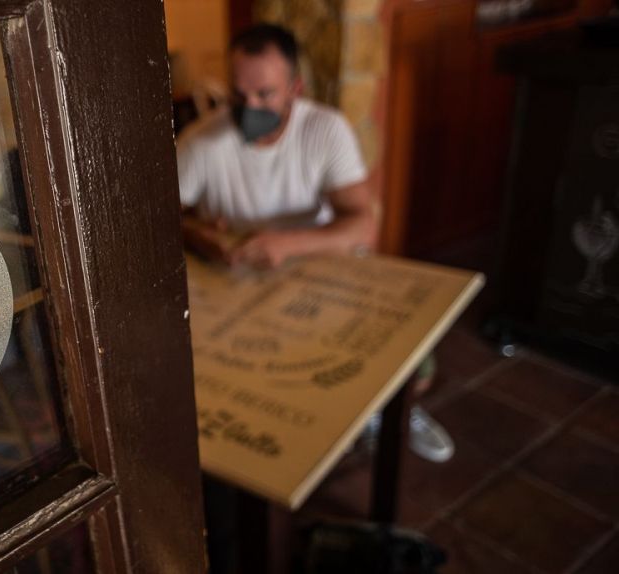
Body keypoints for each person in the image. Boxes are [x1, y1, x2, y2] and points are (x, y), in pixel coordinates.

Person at [177, 23, 454, 464]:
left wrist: (287, 244)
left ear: (295, 88)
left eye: (265, 94)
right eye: (240, 95)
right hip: (240, 282)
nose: (251, 108)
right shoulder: (202, 143)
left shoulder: (325, 130)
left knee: (413, 365)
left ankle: (393, 412)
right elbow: (161, 219)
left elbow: (362, 224)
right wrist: (203, 236)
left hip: (322, 269)